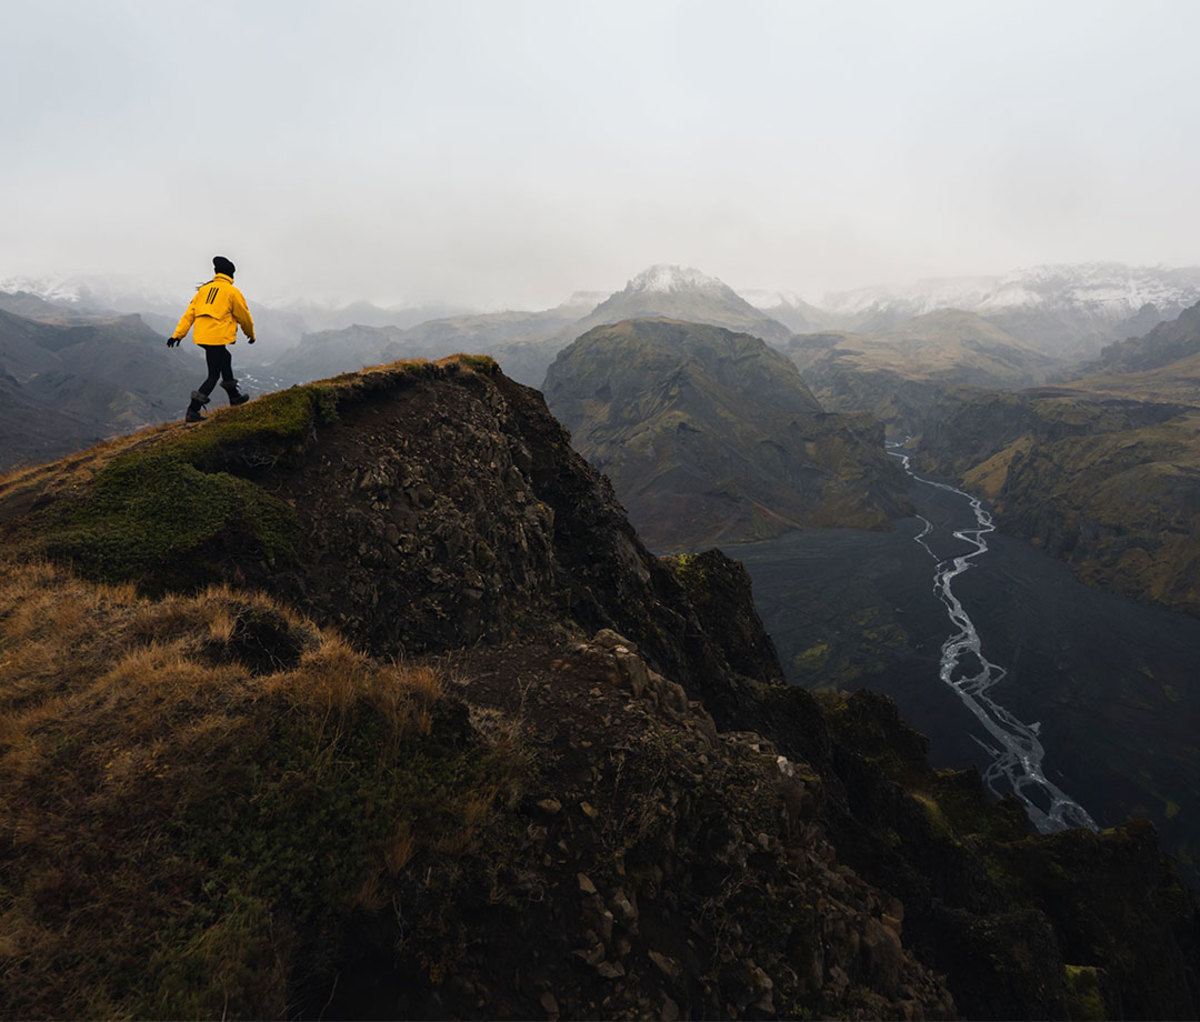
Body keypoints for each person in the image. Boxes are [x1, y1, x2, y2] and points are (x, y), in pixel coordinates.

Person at [167, 255, 256, 422]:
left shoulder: (203, 290)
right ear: (230, 274)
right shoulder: (232, 291)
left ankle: (234, 397)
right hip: (216, 336)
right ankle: (192, 410)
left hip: (202, 336)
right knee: (213, 375)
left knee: (226, 357)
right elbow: (244, 316)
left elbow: (189, 314)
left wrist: (177, 335)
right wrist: (250, 334)